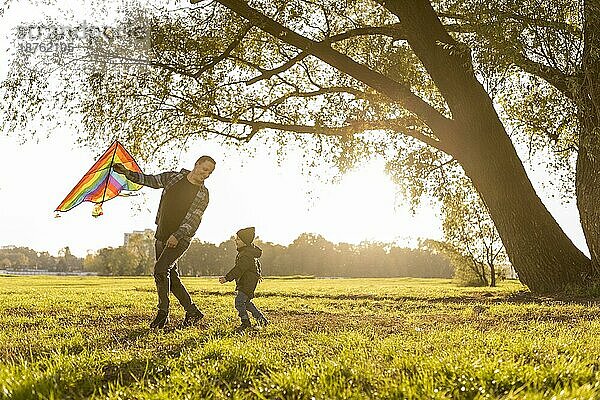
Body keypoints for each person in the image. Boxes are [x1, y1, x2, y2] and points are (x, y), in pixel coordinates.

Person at [113, 155, 215, 329]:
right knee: (171, 277)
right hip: (161, 235)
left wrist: (177, 235)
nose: (206, 174)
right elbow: (150, 180)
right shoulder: (173, 178)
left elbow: (193, 220)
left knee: (160, 270)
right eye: (204, 169)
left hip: (180, 239)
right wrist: (126, 173)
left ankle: (162, 314)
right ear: (196, 165)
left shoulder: (203, 194)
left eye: (210, 172)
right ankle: (192, 312)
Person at [219, 227, 268, 331]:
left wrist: (227, 278)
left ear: (245, 242)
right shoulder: (246, 252)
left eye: (238, 239)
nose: (236, 241)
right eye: (236, 239)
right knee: (247, 303)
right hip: (247, 282)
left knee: (239, 302)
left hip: (247, 283)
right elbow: (255, 266)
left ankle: (245, 323)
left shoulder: (246, 255)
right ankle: (261, 320)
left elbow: (239, 269)